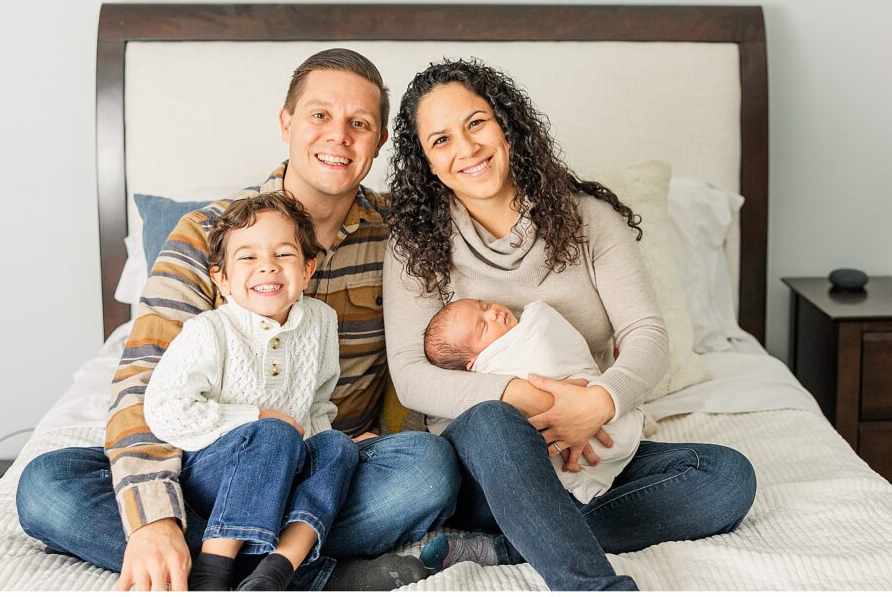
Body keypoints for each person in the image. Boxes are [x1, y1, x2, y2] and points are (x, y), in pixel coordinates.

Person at [17, 49, 460, 592]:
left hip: (325, 469)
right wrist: (154, 521)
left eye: (359, 123)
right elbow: (143, 382)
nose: (338, 136)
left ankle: (219, 567)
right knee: (47, 485)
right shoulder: (206, 233)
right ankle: (302, 568)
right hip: (207, 466)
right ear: (286, 122)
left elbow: (489, 247)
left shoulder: (405, 236)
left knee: (428, 470)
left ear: (380, 142)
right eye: (319, 115)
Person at [383, 59, 757, 591]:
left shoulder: (589, 220)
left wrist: (597, 404)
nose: (465, 148)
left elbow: (647, 335)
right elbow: (411, 375)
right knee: (494, 420)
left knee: (725, 480)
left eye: (476, 123)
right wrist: (535, 402)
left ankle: (512, 544)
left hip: (590, 447)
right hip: (486, 465)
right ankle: (591, 586)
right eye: (441, 139)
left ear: (506, 123)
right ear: (427, 162)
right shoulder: (416, 246)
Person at [143, 192, 359, 591]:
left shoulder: (321, 322)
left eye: (283, 254)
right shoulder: (210, 330)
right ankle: (213, 570)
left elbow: (316, 405)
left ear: (308, 268)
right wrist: (259, 418)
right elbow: (164, 410)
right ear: (220, 279)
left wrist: (324, 453)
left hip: (288, 472)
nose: (268, 268)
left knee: (339, 447)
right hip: (216, 474)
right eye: (248, 258)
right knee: (275, 433)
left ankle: (275, 570)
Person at [422, 298, 647, 505]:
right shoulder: (489, 370)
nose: (493, 314)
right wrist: (559, 408)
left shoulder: (535, 322)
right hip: (544, 466)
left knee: (683, 469)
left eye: (484, 305)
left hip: (604, 407)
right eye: (482, 327)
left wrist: (595, 403)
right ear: (472, 363)